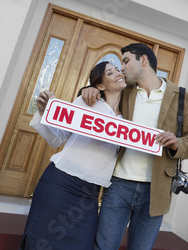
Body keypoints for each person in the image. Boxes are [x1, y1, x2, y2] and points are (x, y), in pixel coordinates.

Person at [81, 43, 188, 250]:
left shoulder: (181, 96)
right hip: (118, 185)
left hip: (156, 190)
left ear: (144, 60)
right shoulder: (124, 92)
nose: (122, 68)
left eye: (126, 61)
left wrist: (177, 143)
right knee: (103, 247)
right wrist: (90, 89)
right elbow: (101, 99)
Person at [19, 61, 127, 250]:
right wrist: (45, 111)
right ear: (100, 85)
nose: (118, 73)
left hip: (89, 195)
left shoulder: (128, 119)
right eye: (111, 72)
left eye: (118, 70)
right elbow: (58, 139)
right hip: (60, 182)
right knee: (40, 243)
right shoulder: (87, 102)